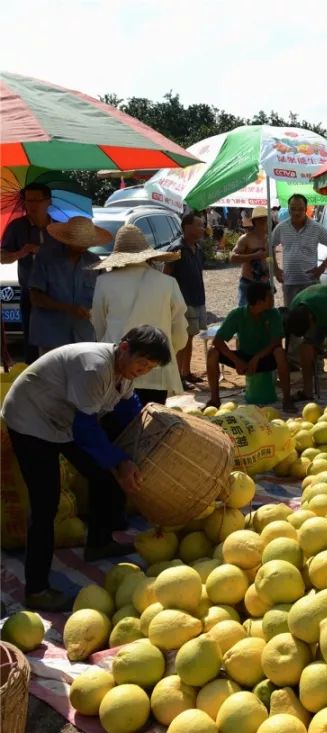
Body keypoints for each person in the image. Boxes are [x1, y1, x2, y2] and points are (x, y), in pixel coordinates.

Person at [1, 325, 171, 610]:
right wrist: (120, 460)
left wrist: (153, 433)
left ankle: (99, 542)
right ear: (125, 347)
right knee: (46, 505)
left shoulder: (125, 373)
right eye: (142, 363)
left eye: (150, 368)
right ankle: (37, 589)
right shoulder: (94, 367)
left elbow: (129, 408)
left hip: (63, 420)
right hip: (31, 420)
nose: (143, 370)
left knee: (102, 476)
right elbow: (86, 429)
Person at [90, 225, 186, 405]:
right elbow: (180, 329)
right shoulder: (168, 283)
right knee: (151, 421)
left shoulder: (104, 282)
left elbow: (98, 325)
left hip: (119, 365)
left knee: (116, 423)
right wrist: (165, 352)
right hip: (155, 368)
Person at [208, 281, 293, 411]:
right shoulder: (237, 314)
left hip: (266, 358)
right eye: (270, 297)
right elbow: (218, 341)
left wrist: (258, 357)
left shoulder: (273, 314)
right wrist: (237, 361)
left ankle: (287, 399)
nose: (273, 300)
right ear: (259, 302)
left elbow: (276, 341)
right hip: (244, 357)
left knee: (280, 353)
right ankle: (214, 399)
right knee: (212, 353)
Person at [29, 216, 106, 354]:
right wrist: (67, 308)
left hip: (84, 336)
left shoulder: (95, 262)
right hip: (51, 336)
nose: (83, 246)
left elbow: (104, 296)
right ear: (67, 239)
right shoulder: (46, 258)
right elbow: (35, 297)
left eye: (86, 242)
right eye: (79, 242)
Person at [1, 183, 58, 361]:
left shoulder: (59, 228)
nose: (32, 204)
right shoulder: (17, 227)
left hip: (58, 294)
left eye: (37, 200)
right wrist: (21, 252)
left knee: (57, 344)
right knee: (32, 344)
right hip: (31, 294)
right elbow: (3, 258)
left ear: (48, 201)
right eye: (28, 200)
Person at [270, 193, 327, 306]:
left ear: (306, 209)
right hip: (289, 282)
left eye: (300, 209)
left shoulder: (316, 228)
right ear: (288, 210)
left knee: (311, 315)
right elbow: (270, 246)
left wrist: (323, 267)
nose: (296, 212)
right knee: (291, 315)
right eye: (293, 209)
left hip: (310, 282)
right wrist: (276, 269)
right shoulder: (281, 228)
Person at [165, 212, 207, 387]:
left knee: (190, 338)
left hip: (197, 299)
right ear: (187, 227)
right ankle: (178, 377)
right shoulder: (177, 249)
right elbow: (166, 276)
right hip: (183, 302)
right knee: (182, 340)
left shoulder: (197, 249)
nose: (202, 228)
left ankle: (186, 372)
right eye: (199, 225)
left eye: (203, 225)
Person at [232, 206, 271, 306]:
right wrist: (254, 255)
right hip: (248, 283)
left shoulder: (269, 239)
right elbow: (233, 257)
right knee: (245, 314)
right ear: (254, 222)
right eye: (261, 220)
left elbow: (270, 258)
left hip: (265, 283)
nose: (264, 223)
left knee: (265, 314)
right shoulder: (245, 239)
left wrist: (273, 270)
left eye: (266, 220)